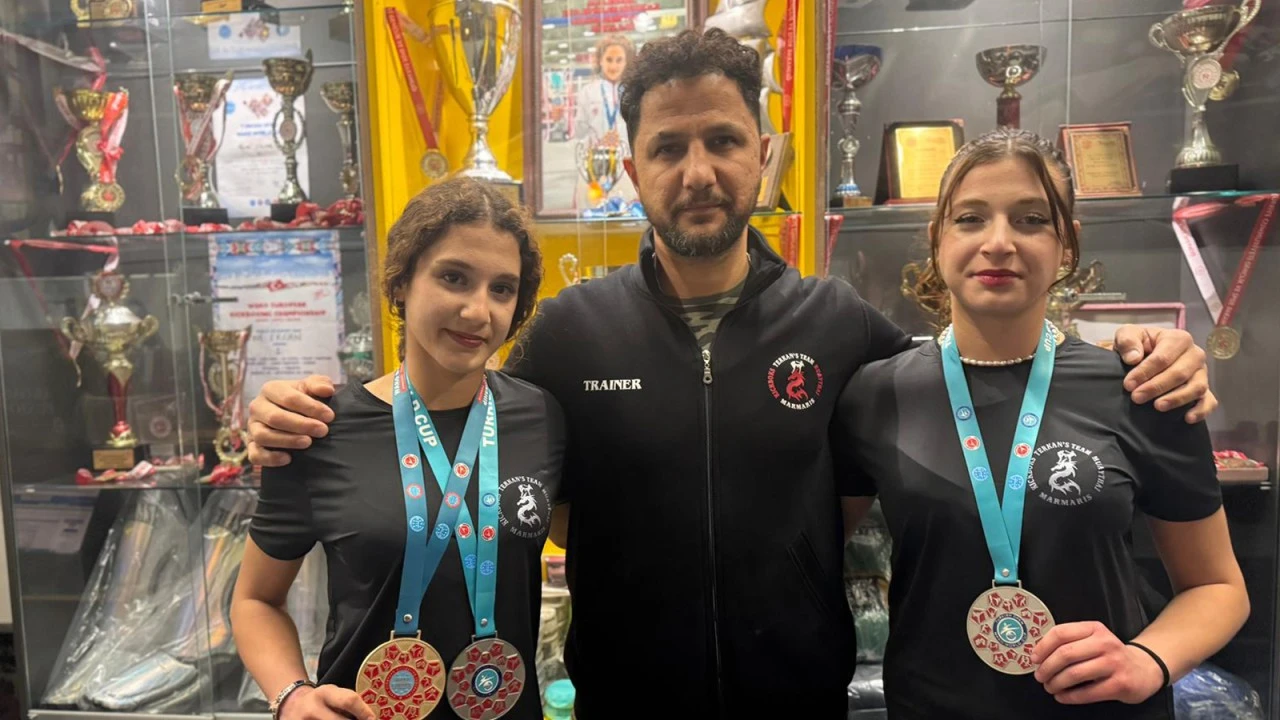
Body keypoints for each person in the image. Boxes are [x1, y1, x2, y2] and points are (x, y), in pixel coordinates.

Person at [243, 30, 1216, 719]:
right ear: (631, 169)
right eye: (667, 148)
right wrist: (304, 408)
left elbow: (986, 374)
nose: (697, 171)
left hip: (799, 700)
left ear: (764, 155)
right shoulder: (568, 333)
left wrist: (1140, 353)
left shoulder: (842, 326)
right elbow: (455, 413)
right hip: (622, 703)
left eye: (721, 141)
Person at [831, 129, 1248, 719]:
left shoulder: (1142, 387)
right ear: (938, 238)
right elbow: (808, 555)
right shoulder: (875, 395)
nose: (998, 243)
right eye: (970, 219)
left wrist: (1147, 659)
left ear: (1066, 244)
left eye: (1030, 220)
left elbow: (1217, 587)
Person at [231, 178, 565, 720]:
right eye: (454, 277)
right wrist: (291, 695)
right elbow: (255, 600)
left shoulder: (542, 418)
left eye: (502, 289)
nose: (478, 311)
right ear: (403, 280)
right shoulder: (319, 429)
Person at [572, 34, 639, 212]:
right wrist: (596, 141)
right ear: (600, 61)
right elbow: (579, 132)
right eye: (609, 60)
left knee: (627, 212)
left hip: (626, 163)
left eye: (619, 60)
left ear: (626, 61)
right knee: (593, 212)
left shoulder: (634, 92)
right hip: (596, 165)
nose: (613, 66)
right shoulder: (588, 92)